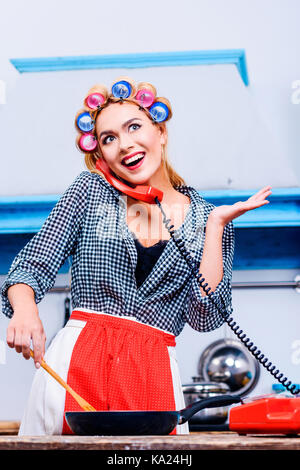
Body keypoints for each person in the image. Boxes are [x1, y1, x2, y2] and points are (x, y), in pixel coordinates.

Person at [1, 77, 272, 436]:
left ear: (160, 132)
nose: (124, 144)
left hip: (153, 371)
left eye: (134, 127)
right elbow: (30, 266)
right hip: (77, 363)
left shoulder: (208, 219)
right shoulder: (89, 191)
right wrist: (25, 309)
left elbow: (205, 317)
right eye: (109, 138)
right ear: (100, 155)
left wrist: (216, 228)